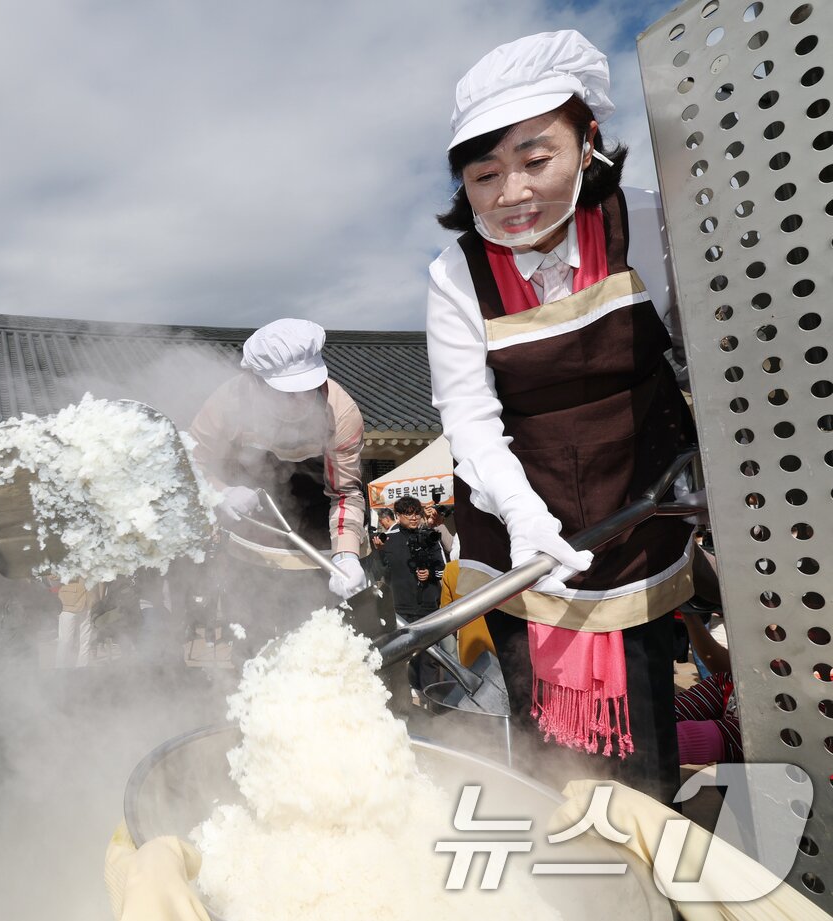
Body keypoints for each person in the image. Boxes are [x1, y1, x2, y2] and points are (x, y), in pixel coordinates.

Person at [425, 31, 695, 801]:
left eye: (535, 160)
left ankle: (644, 868)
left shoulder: (646, 224)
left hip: (637, 505)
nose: (511, 193)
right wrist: (522, 516)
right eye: (484, 174)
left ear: (589, 143)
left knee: (641, 718)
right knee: (544, 735)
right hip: (520, 523)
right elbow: (469, 417)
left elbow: (704, 358)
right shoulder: (455, 276)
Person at [190, 318, 369, 607]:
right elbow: (191, 460)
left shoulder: (342, 412)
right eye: (286, 391)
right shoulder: (227, 404)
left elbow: (345, 493)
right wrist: (220, 491)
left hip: (320, 525)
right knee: (253, 625)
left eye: (308, 387)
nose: (300, 400)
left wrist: (346, 556)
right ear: (256, 381)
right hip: (252, 522)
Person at [371, 497, 447, 688]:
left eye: (416, 513)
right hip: (400, 609)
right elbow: (379, 574)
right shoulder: (389, 539)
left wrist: (430, 574)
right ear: (398, 516)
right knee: (405, 658)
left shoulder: (430, 536)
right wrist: (379, 552)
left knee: (430, 657)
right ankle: (412, 699)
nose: (413, 518)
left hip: (429, 607)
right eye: (408, 514)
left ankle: (431, 699)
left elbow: (443, 569)